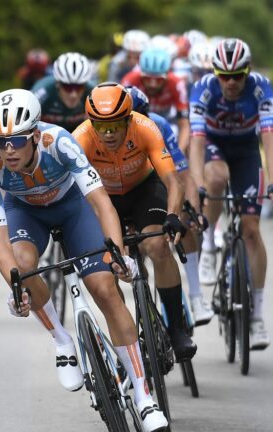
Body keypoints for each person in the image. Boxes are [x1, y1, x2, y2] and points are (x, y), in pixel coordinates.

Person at [0, 89, 168, 431]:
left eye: (17, 140)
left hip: (73, 208)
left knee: (104, 289)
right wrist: (17, 285)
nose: (8, 150)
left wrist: (119, 254)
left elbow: (101, 203)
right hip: (26, 214)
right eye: (0, 140)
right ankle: (62, 340)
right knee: (21, 265)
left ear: (35, 135)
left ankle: (143, 396)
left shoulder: (59, 142)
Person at [73, 83, 198, 360]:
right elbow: (71, 192)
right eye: (100, 125)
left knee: (157, 246)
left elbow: (172, 181)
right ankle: (126, 329)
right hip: (104, 197)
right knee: (109, 264)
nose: (107, 133)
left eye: (115, 125)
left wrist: (173, 216)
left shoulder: (145, 128)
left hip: (143, 189)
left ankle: (176, 329)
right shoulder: (79, 139)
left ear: (128, 119)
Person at [188, 38, 273, 350]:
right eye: (224, 75)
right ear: (215, 73)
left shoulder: (261, 89)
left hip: (246, 151)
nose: (230, 83)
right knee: (216, 177)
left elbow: (270, 140)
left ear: (248, 71)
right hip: (214, 145)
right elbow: (196, 143)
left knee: (252, 231)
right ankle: (208, 244)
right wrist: (198, 188)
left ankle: (256, 317)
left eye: (237, 75)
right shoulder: (203, 88)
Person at [126, 85, 214, 325]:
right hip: (122, 191)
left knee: (181, 220)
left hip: (157, 185)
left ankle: (196, 296)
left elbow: (183, 175)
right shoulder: (105, 134)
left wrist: (194, 211)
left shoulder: (159, 126)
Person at [121, 47, 191, 158]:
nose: (153, 84)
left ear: (167, 75)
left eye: (159, 80)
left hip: (167, 121)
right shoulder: (130, 80)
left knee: (186, 142)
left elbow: (184, 125)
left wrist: (179, 155)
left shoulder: (176, 83)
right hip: (137, 121)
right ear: (141, 74)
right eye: (148, 79)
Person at [31, 52, 95, 133]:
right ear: (58, 84)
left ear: (85, 85)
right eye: (67, 87)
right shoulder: (43, 91)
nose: (73, 95)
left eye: (79, 87)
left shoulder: (92, 92)